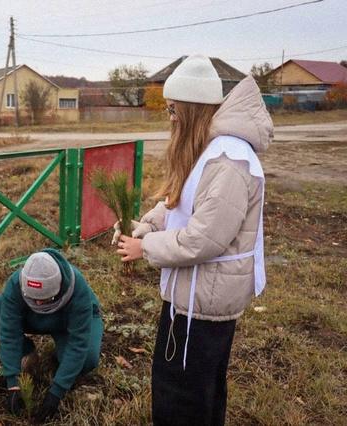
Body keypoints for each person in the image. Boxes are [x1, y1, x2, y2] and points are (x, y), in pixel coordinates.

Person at [114, 54, 272, 426]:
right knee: (194, 391)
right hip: (191, 295)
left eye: (173, 110)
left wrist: (145, 247)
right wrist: (145, 226)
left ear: (192, 109)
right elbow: (179, 202)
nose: (169, 118)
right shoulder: (210, 151)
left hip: (204, 302)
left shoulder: (230, 160)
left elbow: (204, 239)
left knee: (184, 400)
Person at [0, 248, 102, 422]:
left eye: (43, 299)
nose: (38, 302)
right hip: (34, 317)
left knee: (87, 359)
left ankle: (61, 354)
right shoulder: (16, 283)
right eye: (33, 299)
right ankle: (27, 352)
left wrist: (57, 392)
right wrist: (13, 384)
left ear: (58, 287)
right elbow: (9, 333)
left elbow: (78, 343)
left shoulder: (78, 289)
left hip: (67, 323)